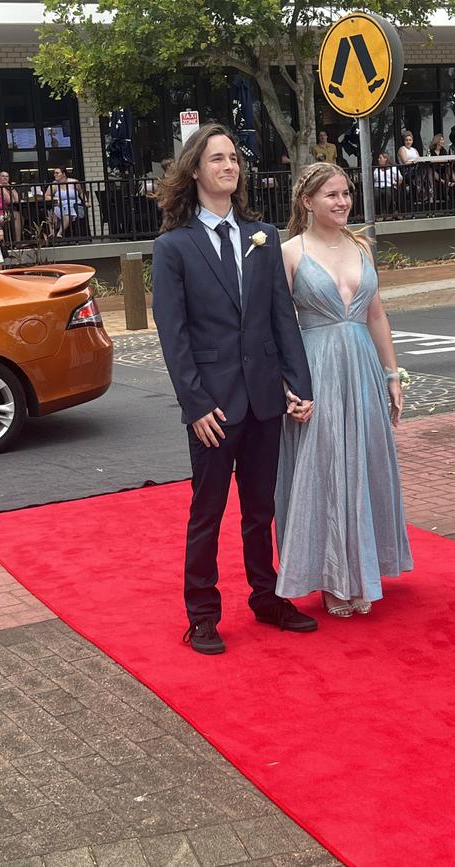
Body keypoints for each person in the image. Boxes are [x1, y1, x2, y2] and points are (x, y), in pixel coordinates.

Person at [152, 123, 317, 655]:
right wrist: (195, 404)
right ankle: (201, 614)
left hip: (266, 396)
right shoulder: (173, 247)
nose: (229, 167)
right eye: (217, 159)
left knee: (260, 508)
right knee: (207, 511)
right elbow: (173, 337)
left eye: (234, 159)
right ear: (195, 169)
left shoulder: (261, 236)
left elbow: (280, 318)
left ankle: (265, 598)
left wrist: (298, 383)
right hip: (214, 407)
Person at [275, 162, 413, 617]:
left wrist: (392, 374)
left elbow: (375, 314)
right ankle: (331, 578)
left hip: (363, 370)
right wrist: (288, 385)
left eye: (346, 193)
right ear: (307, 201)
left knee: (364, 465)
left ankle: (362, 572)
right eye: (331, 195)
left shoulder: (360, 247)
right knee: (327, 468)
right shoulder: (290, 251)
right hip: (316, 371)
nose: (342, 202)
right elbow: (276, 327)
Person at [44, 165, 86, 237]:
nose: (55, 175)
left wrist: (86, 201)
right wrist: (55, 198)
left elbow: (81, 192)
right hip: (60, 205)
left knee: (68, 211)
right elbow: (46, 196)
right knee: (51, 212)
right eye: (54, 173)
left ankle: (59, 233)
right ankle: (52, 234)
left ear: (63, 174)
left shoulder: (73, 182)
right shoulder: (54, 184)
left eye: (57, 173)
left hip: (74, 205)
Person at [372, 152, 402, 218]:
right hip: (377, 186)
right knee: (376, 194)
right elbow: (373, 179)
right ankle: (378, 212)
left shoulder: (393, 168)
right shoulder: (376, 169)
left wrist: (396, 184)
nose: (378, 159)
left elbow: (400, 179)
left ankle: (384, 213)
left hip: (389, 186)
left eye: (380, 158)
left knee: (388, 193)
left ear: (385, 159)